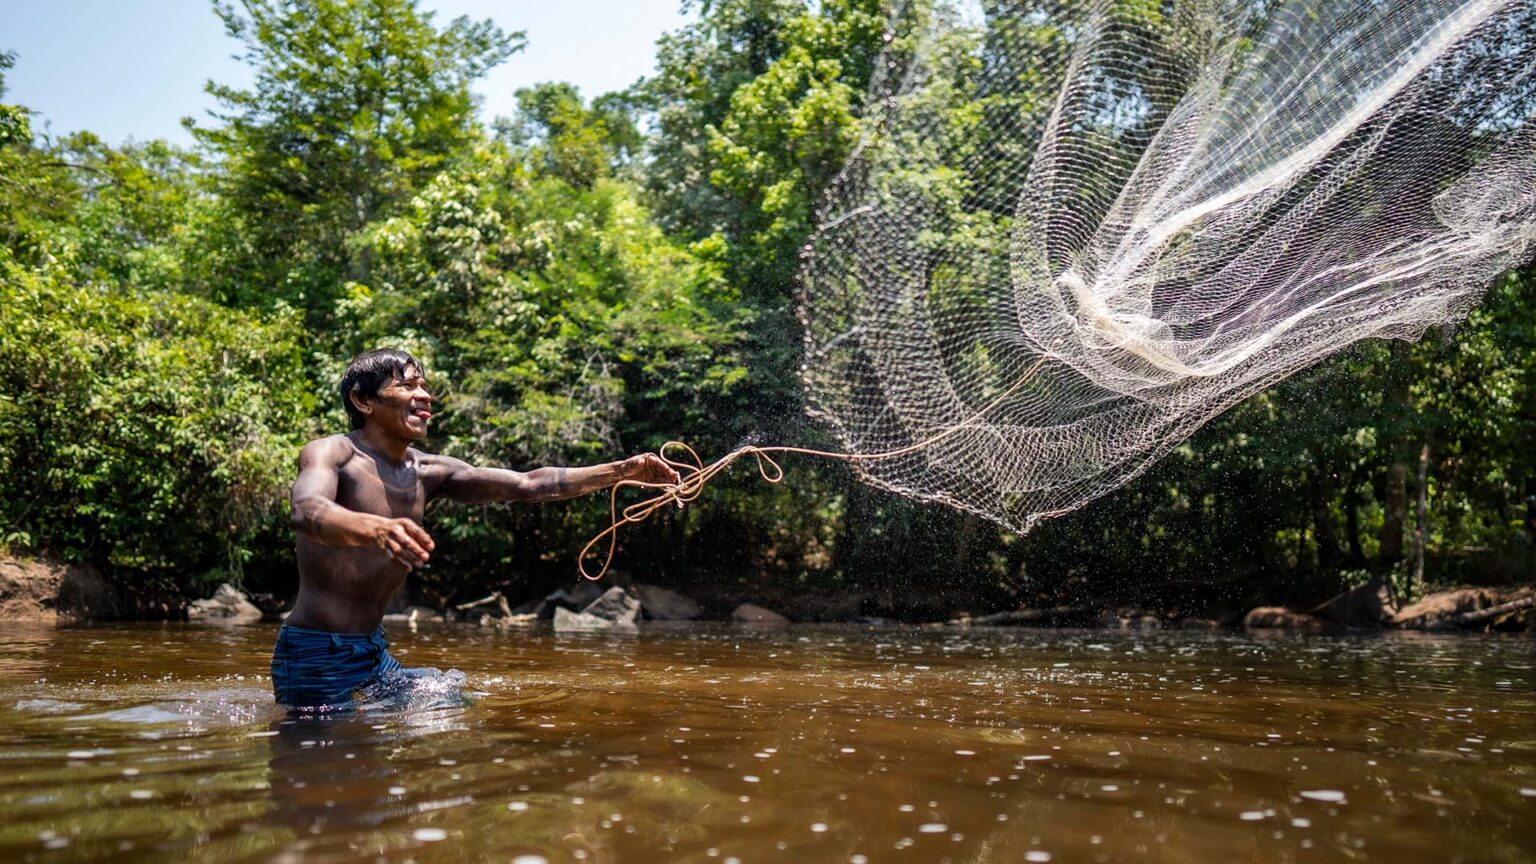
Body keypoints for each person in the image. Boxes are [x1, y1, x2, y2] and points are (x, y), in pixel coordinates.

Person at [272, 348, 679, 709]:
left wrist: (623, 470)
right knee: (321, 767)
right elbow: (306, 511)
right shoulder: (333, 453)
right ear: (363, 400)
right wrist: (374, 528)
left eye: (425, 386)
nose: (425, 396)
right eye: (408, 385)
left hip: (372, 649)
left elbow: (528, 484)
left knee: (449, 699)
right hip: (315, 653)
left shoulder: (428, 470)